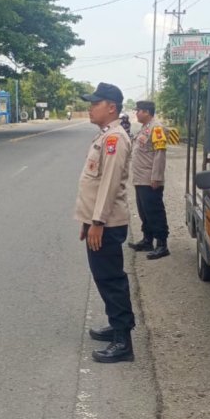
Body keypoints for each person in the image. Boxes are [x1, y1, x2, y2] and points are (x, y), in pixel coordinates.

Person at [74, 82, 136, 363]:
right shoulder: (106, 135)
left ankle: (123, 342)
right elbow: (95, 184)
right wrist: (87, 221)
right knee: (104, 277)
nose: (90, 107)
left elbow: (109, 185)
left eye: (95, 103)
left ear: (111, 107)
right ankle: (116, 325)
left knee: (111, 279)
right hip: (99, 222)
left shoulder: (114, 139)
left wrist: (97, 221)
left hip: (107, 223)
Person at [128, 100, 170, 260]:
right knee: (144, 212)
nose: (136, 113)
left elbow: (160, 154)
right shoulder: (145, 128)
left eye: (138, 110)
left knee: (154, 212)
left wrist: (157, 177)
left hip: (150, 179)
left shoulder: (156, 128)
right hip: (140, 179)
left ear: (146, 112)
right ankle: (147, 240)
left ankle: (161, 244)